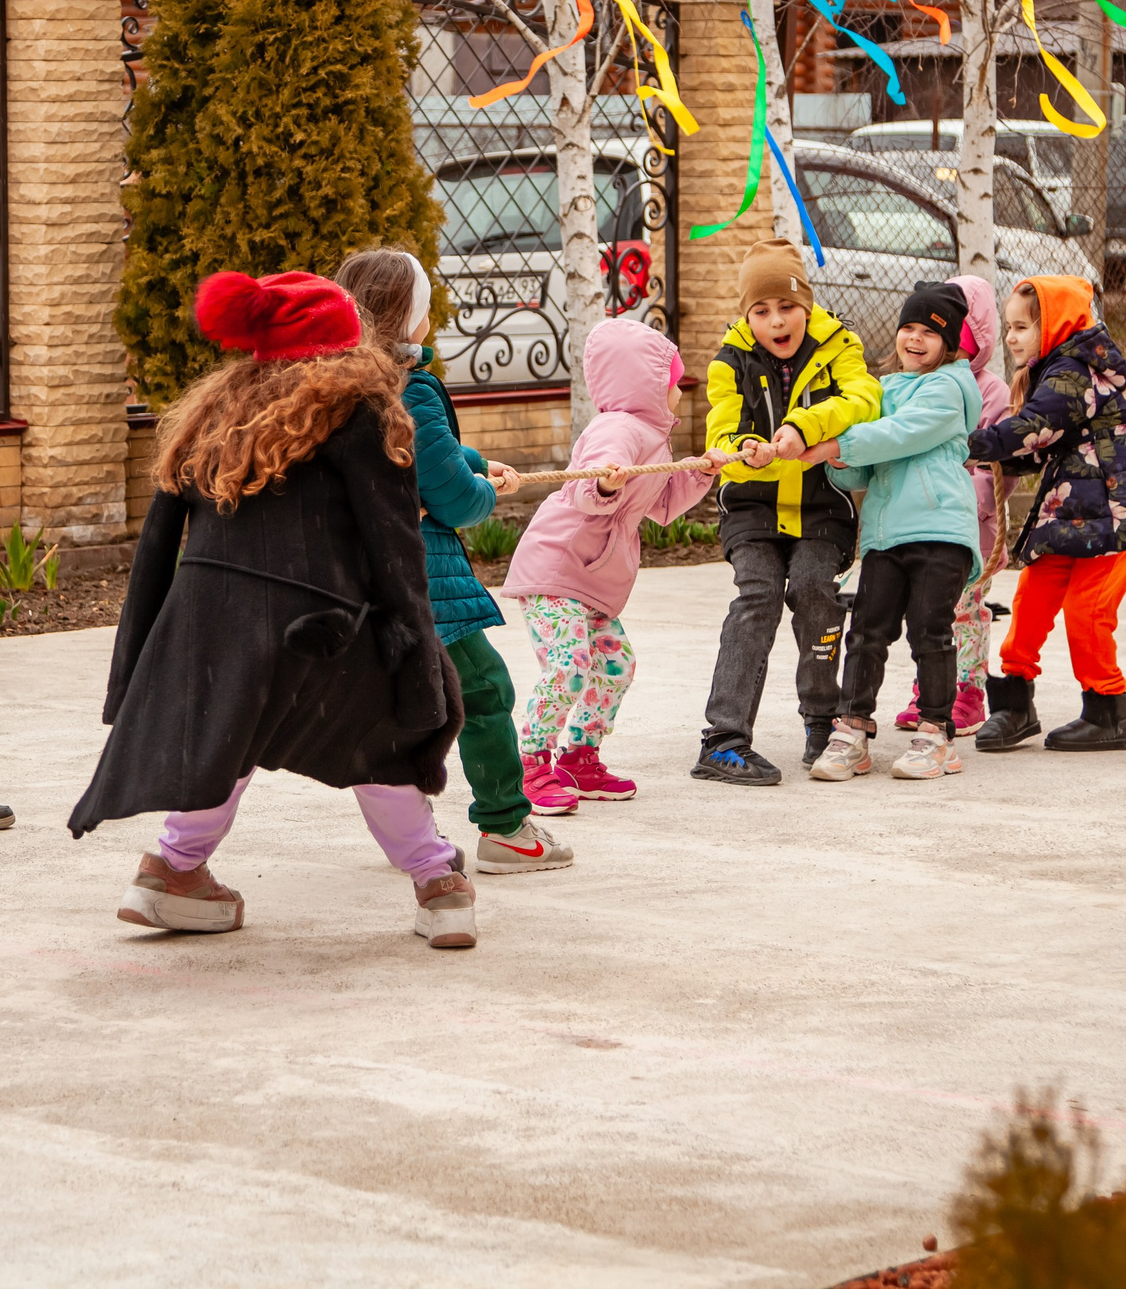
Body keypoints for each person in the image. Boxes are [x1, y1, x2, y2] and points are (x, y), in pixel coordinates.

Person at [70, 270, 477, 947]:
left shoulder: (212, 413)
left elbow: (156, 547)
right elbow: (394, 546)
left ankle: (172, 868)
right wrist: (414, 655)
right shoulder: (363, 410)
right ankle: (438, 882)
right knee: (380, 740)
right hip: (324, 622)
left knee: (230, 730)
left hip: (212, 619)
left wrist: (138, 661)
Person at [332, 247, 572, 874]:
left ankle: (410, 837)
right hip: (426, 585)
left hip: (360, 582)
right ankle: (507, 828)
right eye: (423, 303)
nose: (430, 313)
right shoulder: (413, 389)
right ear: (404, 315)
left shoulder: (339, 384)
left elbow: (422, 457)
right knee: (484, 691)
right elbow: (455, 500)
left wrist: (475, 461)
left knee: (396, 709)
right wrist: (483, 488)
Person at [967, 275, 1126, 753]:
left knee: (1087, 609)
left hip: (1120, 512)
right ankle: (1014, 702)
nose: (1011, 338)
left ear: (1053, 326)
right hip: (1078, 512)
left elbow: (1037, 425)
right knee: (1032, 598)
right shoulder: (1053, 371)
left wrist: (979, 442)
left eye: (1022, 327)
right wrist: (997, 457)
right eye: (1008, 327)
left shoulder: (1072, 371)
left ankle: (1109, 709)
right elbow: (1040, 444)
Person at [499, 319, 719, 804]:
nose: (680, 388)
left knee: (615, 664)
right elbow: (583, 489)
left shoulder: (654, 437)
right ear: (649, 384)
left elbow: (662, 505)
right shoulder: (617, 428)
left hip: (593, 577)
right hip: (557, 568)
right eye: (673, 379)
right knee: (570, 664)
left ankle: (580, 757)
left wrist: (703, 472)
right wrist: (604, 484)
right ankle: (530, 762)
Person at [692, 238, 882, 786]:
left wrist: (803, 427)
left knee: (815, 590)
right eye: (761, 310)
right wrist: (746, 450)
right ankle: (723, 740)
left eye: (787, 306)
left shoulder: (840, 345)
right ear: (746, 315)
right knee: (757, 597)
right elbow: (721, 432)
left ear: (806, 304)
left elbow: (864, 400)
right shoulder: (729, 361)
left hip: (823, 508)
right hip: (752, 508)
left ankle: (823, 723)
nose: (776, 321)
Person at [814, 282, 985, 782]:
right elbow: (862, 468)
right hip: (886, 534)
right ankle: (852, 731)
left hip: (939, 529)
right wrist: (838, 456)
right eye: (907, 327)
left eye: (928, 332)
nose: (914, 338)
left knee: (930, 631)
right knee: (867, 631)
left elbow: (900, 434)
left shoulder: (948, 388)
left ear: (949, 343)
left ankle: (936, 734)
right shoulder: (882, 390)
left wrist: (838, 444)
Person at [893, 273, 1012, 741]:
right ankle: (928, 688)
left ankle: (967, 692)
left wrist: (962, 497)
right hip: (918, 522)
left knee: (966, 610)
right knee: (925, 612)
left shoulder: (991, 392)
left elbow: (999, 467)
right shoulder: (909, 386)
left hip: (966, 528)